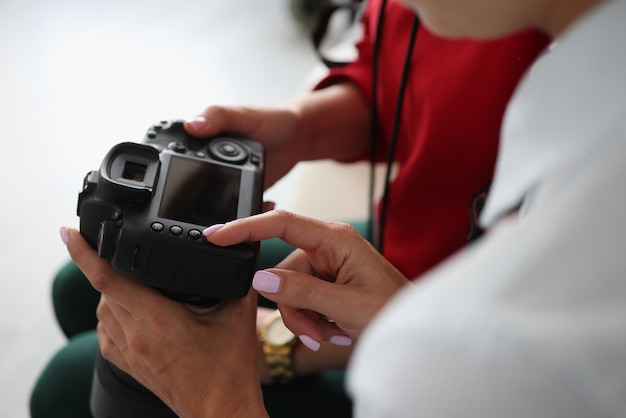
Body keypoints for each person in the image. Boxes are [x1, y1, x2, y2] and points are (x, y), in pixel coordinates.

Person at [59, 0, 626, 414]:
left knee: (68, 382)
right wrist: (305, 128)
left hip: (443, 338)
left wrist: (217, 396)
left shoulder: (499, 348)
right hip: (417, 258)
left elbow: (470, 358)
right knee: (75, 288)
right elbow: (412, 82)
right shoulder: (542, 23)